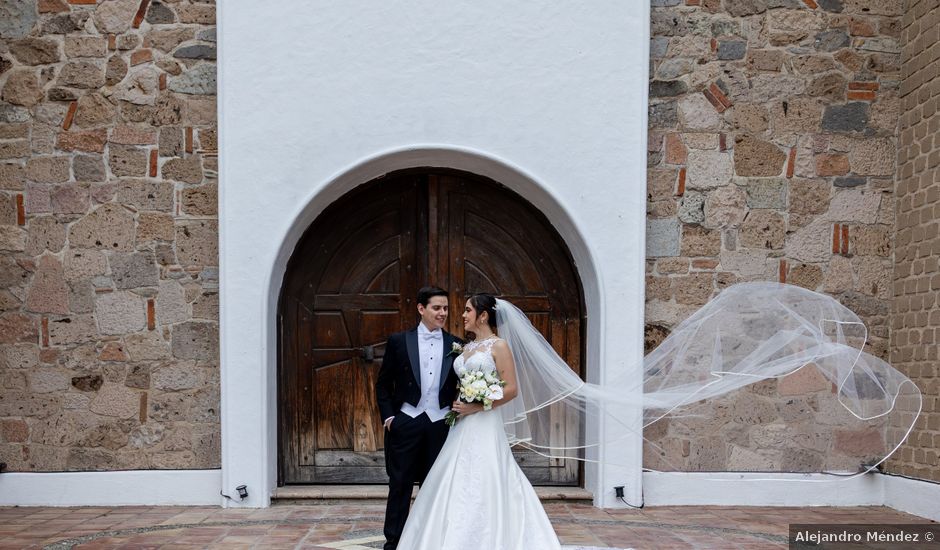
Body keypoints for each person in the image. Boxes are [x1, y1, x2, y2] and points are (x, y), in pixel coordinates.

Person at [397, 293, 561, 550]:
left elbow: (511, 389)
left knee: (486, 475)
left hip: (484, 422)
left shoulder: (499, 347)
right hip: (461, 424)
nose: (462, 315)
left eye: (467, 310)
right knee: (454, 476)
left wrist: (476, 405)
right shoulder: (466, 347)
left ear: (483, 316)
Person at [375, 286, 462, 550]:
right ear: (421, 308)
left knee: (435, 486)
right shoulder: (399, 341)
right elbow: (383, 384)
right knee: (400, 484)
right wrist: (390, 417)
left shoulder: (456, 344)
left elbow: (464, 383)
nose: (442, 313)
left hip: (441, 424)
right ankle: (394, 541)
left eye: (446, 308)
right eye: (437, 307)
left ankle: (430, 540)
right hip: (407, 421)